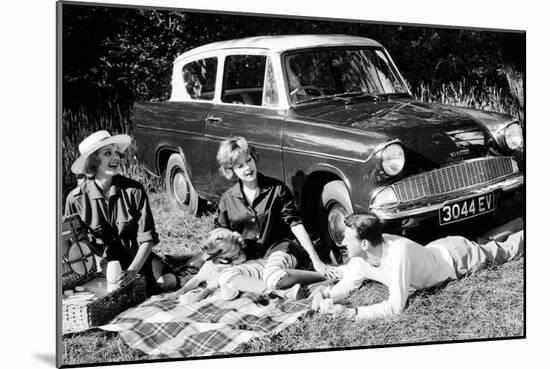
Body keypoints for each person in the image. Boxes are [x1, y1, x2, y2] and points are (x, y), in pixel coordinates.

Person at [312, 213, 524, 320]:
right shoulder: (361, 258)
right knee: (486, 242)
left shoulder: (397, 254)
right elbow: (349, 282)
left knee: (506, 251)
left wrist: (352, 313)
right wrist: (326, 294)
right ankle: (519, 221)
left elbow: (395, 307)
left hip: (459, 257)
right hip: (440, 248)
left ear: (365, 244)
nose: (342, 243)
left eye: (348, 239)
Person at [214, 136, 337, 300]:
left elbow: (295, 224)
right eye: (240, 166)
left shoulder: (277, 189)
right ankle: (281, 292)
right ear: (231, 170)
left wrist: (316, 259)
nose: (247, 168)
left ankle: (321, 275)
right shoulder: (227, 199)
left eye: (249, 160)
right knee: (225, 277)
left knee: (272, 277)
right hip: (254, 259)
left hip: (282, 250)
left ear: (254, 158)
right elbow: (219, 233)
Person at [64, 130, 177, 293]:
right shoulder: (75, 199)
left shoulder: (134, 190)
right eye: (107, 153)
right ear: (93, 161)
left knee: (169, 282)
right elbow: (75, 245)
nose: (115, 157)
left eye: (116, 152)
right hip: (101, 266)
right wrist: (102, 266)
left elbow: (147, 238)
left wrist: (133, 271)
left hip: (136, 258)